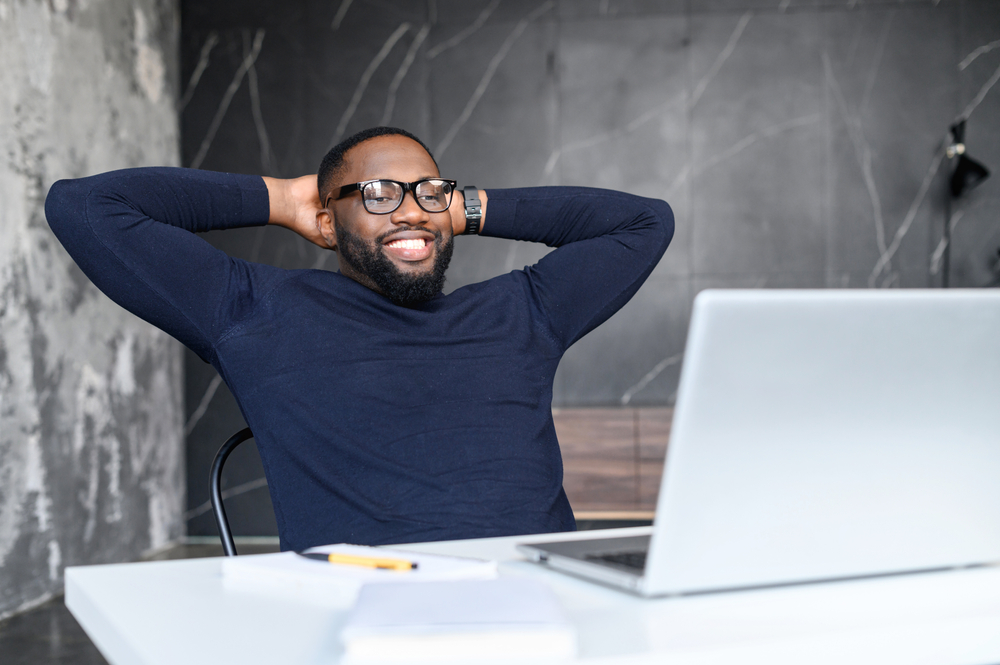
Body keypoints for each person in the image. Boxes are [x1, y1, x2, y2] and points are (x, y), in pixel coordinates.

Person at [45, 126, 674, 551]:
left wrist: (455, 207)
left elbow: (645, 222)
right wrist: (286, 198)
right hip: (363, 621)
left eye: (429, 192)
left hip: (543, 613)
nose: (409, 211)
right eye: (375, 194)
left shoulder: (524, 312)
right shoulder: (253, 311)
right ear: (326, 218)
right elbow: (86, 207)